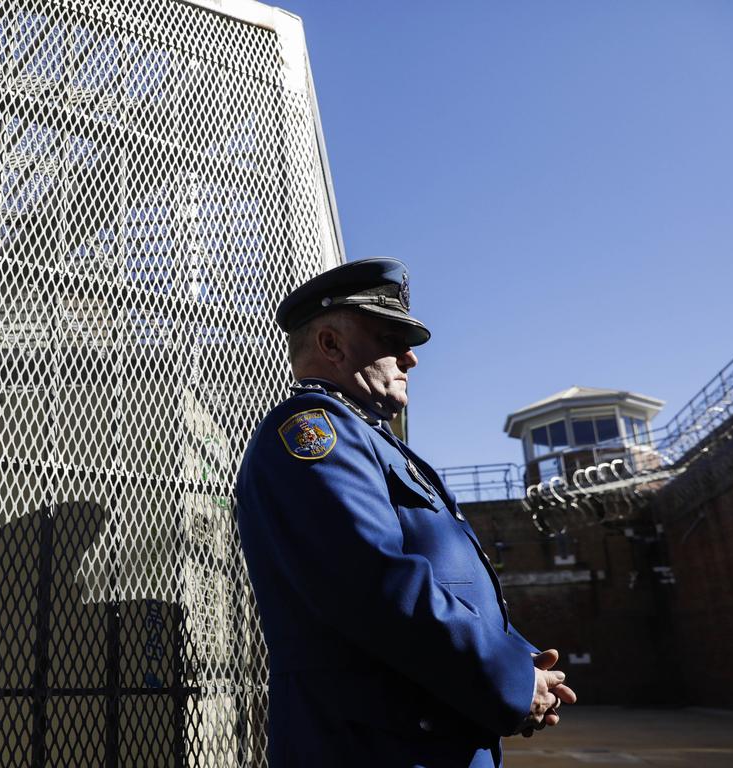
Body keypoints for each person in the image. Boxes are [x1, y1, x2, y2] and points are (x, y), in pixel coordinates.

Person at [235, 258, 576, 767]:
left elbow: (445, 582)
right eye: (391, 339)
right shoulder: (314, 434)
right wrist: (510, 679)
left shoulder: (369, 439)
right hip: (375, 747)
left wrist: (524, 664)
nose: (410, 358)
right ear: (331, 345)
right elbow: (373, 582)